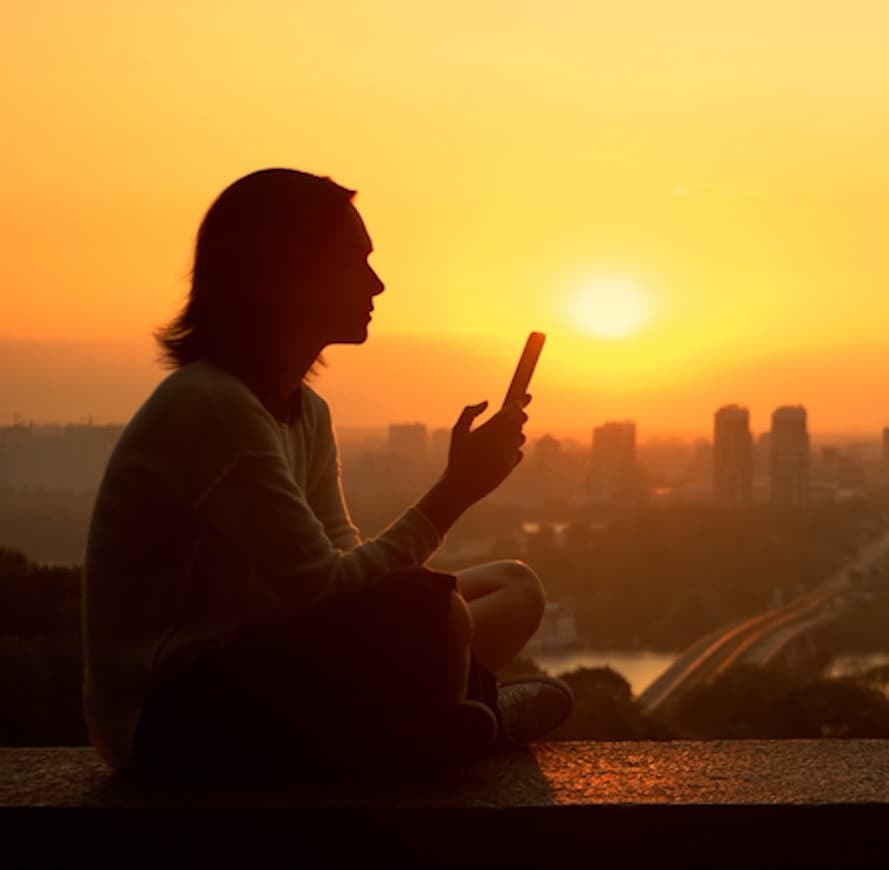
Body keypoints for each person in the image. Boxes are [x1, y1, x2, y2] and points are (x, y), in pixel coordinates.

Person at [84, 168, 572, 777]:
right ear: (287, 276)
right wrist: (454, 492)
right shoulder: (212, 405)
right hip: (172, 711)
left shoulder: (305, 412)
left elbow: (344, 570)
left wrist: (450, 513)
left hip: (272, 661)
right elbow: (321, 589)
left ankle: (460, 714)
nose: (377, 283)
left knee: (514, 588)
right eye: (355, 262)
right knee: (438, 614)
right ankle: (455, 721)